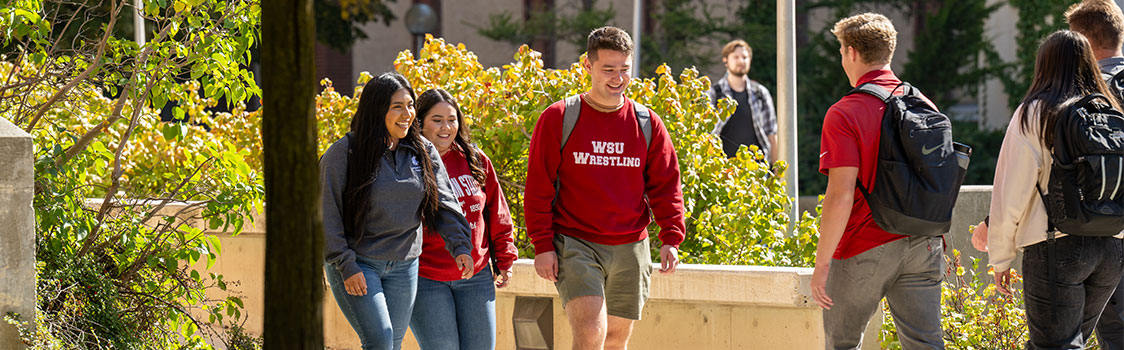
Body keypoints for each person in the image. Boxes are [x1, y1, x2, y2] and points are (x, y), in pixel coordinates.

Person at [523, 26, 686, 350]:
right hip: (576, 242)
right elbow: (539, 186)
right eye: (608, 69)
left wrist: (671, 236)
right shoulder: (559, 117)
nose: (617, 78)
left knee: (614, 339)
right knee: (590, 331)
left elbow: (666, 185)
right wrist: (542, 244)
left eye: (624, 69)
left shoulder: (646, 123)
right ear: (588, 66)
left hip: (630, 246)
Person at [972, 2, 1124, 348]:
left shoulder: (1037, 111)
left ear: (1044, 64)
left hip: (1057, 245)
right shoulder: (1109, 107)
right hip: (1111, 248)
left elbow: (1012, 189)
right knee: (1070, 341)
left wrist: (1001, 257)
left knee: (1056, 344)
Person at [810, 13, 945, 349]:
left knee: (842, 342)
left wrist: (822, 262)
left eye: (841, 51)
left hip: (865, 244)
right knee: (926, 344)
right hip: (924, 242)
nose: (842, 59)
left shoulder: (845, 112)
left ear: (852, 52)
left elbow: (840, 195)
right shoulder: (923, 103)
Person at [320, 72, 474, 350]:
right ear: (378, 109)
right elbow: (326, 215)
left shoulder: (422, 150)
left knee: (392, 343)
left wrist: (460, 245)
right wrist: (346, 264)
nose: (408, 114)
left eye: (411, 105)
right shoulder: (344, 154)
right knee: (380, 340)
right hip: (359, 262)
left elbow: (444, 202)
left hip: (405, 265)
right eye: (397, 106)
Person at [409, 88, 519, 350]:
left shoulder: (475, 160)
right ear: (420, 123)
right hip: (427, 278)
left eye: (452, 119)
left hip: (476, 276)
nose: (446, 127)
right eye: (437, 120)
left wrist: (505, 259)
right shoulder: (408, 163)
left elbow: (497, 213)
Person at [707, 39, 779, 162]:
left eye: (745, 57)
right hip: (723, 170)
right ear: (725, 60)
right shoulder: (714, 93)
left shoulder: (760, 93)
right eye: (736, 57)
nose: (741, 61)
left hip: (757, 170)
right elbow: (707, 134)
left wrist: (777, 173)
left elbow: (772, 134)